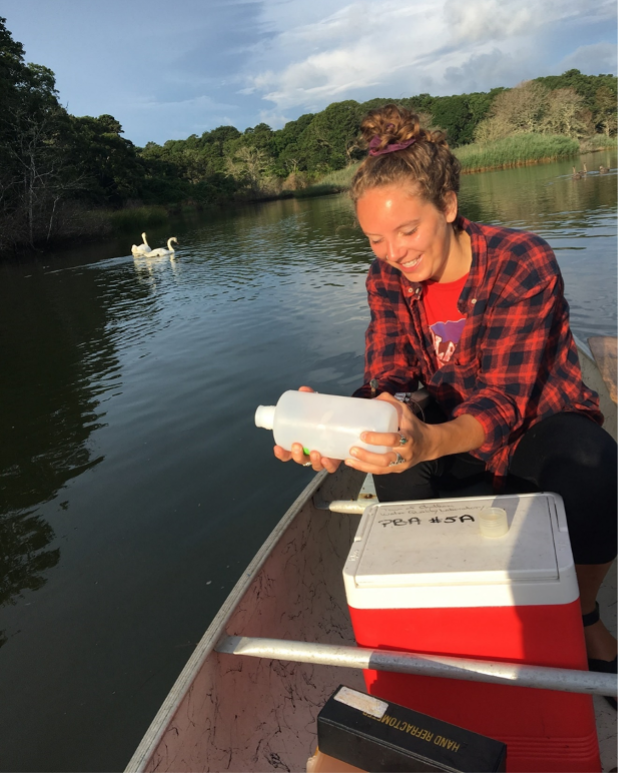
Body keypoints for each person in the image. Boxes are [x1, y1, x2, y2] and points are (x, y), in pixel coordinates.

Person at [274, 104, 618, 705]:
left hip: (533, 434)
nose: (393, 253)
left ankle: (583, 617)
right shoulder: (385, 280)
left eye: (407, 231)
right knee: (393, 469)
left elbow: (507, 402)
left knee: (594, 464)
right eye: (376, 240)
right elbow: (392, 378)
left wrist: (427, 440)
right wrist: (342, 427)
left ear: (450, 207)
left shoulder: (520, 260)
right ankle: (455, 626)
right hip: (450, 441)